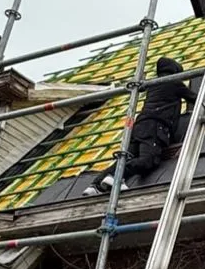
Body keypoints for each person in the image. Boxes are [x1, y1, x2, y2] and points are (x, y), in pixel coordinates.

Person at [82, 57, 196, 196]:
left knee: (127, 157)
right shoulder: (174, 83)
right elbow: (195, 98)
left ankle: (96, 184)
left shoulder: (153, 85)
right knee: (148, 160)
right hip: (155, 126)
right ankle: (116, 178)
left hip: (139, 126)